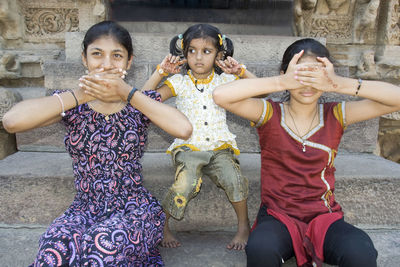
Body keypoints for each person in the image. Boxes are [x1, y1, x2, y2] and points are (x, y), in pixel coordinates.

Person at [3, 21, 192, 266]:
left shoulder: (139, 103)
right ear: (84, 59)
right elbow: (11, 121)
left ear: (128, 62)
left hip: (134, 209)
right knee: (53, 251)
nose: (106, 64)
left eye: (116, 56)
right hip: (84, 209)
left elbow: (184, 129)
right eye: (97, 54)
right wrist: (82, 95)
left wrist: (126, 92)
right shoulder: (71, 105)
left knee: (101, 246)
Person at [213, 38, 400, 267]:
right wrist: (281, 81)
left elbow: (396, 98)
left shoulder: (337, 114)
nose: (308, 84)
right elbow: (220, 96)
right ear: (286, 74)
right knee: (261, 250)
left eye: (316, 76)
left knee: (360, 252)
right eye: (300, 75)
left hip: (323, 216)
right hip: (278, 216)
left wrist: (339, 83)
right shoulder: (269, 113)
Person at [142, 23, 256, 250]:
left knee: (234, 179)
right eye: (192, 51)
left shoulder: (225, 81)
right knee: (186, 183)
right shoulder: (178, 82)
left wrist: (240, 71)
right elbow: (145, 100)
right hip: (187, 148)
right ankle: (163, 225)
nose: (198, 58)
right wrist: (160, 73)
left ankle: (243, 225)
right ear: (183, 53)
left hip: (220, 147)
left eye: (207, 51)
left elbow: (261, 91)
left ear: (219, 54)